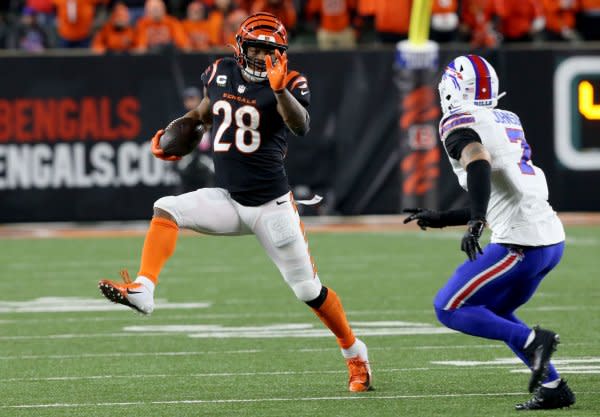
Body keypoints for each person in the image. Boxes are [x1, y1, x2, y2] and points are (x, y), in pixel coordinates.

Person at [98, 12, 372, 393]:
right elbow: (201, 115)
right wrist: (174, 138)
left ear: (281, 53)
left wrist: (279, 92)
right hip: (227, 198)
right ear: (241, 48)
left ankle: (354, 353)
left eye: (269, 49)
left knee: (307, 290)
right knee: (167, 207)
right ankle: (144, 288)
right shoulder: (220, 71)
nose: (262, 56)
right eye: (256, 48)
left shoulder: (291, 81)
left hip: (270, 207)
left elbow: (301, 125)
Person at [403, 55, 575, 410]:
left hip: (520, 245)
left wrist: (476, 221)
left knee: (448, 307)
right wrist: (446, 217)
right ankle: (554, 385)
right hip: (549, 239)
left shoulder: (458, 121)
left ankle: (534, 341)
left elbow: (478, 160)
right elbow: (505, 192)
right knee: (495, 310)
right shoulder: (506, 118)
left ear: (451, 88)